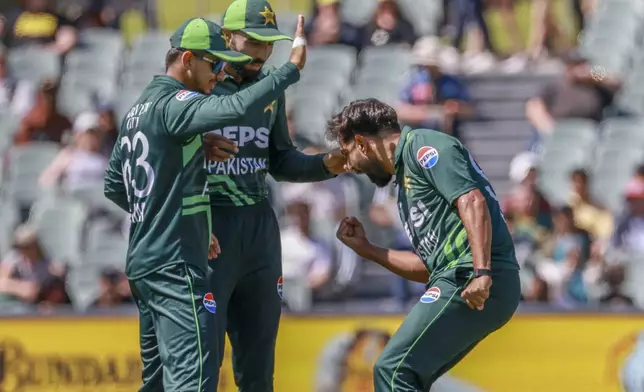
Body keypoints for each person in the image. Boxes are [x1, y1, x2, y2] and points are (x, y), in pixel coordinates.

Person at [103, 16, 307, 392]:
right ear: (186, 61)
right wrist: (289, 71)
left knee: (158, 384)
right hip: (178, 266)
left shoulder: (138, 109)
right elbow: (231, 110)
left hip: (144, 263)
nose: (218, 71)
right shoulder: (180, 101)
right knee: (194, 382)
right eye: (212, 63)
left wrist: (186, 193)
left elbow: (115, 185)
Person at [326, 98, 520, 391]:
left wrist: (482, 273)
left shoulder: (423, 146)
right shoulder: (404, 184)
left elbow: (472, 201)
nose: (349, 166)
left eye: (347, 153)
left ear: (362, 143)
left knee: (392, 368)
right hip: (459, 277)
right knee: (408, 374)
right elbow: (428, 269)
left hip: (473, 277)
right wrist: (366, 249)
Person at [208, 2, 346, 389]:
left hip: (258, 230)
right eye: (253, 41)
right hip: (211, 227)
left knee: (259, 360)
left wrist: (328, 164)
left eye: (269, 43)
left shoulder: (269, 88)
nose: (262, 52)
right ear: (227, 36)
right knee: (203, 359)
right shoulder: (202, 85)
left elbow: (280, 160)